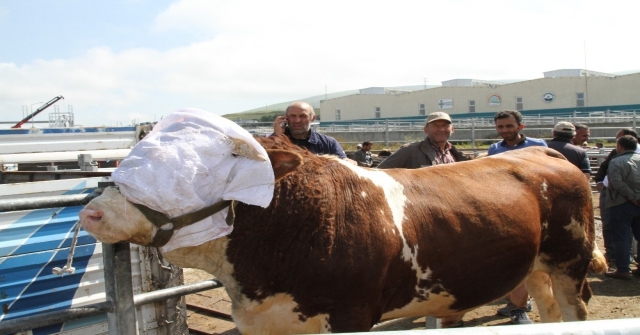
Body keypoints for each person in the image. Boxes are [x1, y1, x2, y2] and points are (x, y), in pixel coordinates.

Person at [487, 110, 546, 325]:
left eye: (509, 126)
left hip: (536, 206)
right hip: (507, 208)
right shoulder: (495, 149)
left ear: (520, 127)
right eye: (501, 127)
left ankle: (523, 304)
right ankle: (517, 304)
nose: (505, 131)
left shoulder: (537, 145)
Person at [595, 128, 640, 266]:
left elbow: (617, 182)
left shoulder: (616, 161)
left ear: (620, 146)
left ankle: (622, 268)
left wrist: (632, 196)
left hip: (620, 203)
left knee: (620, 236)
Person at [377, 111, 470, 169]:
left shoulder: (456, 154)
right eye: (435, 126)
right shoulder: (410, 151)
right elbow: (380, 172)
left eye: (445, 125)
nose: (441, 129)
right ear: (426, 130)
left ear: (452, 129)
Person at [273, 101, 347, 159]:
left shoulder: (328, 143)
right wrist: (277, 136)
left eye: (303, 116)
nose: (297, 120)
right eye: (293, 116)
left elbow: (344, 164)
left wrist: (348, 162)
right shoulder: (274, 139)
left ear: (313, 118)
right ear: (286, 118)